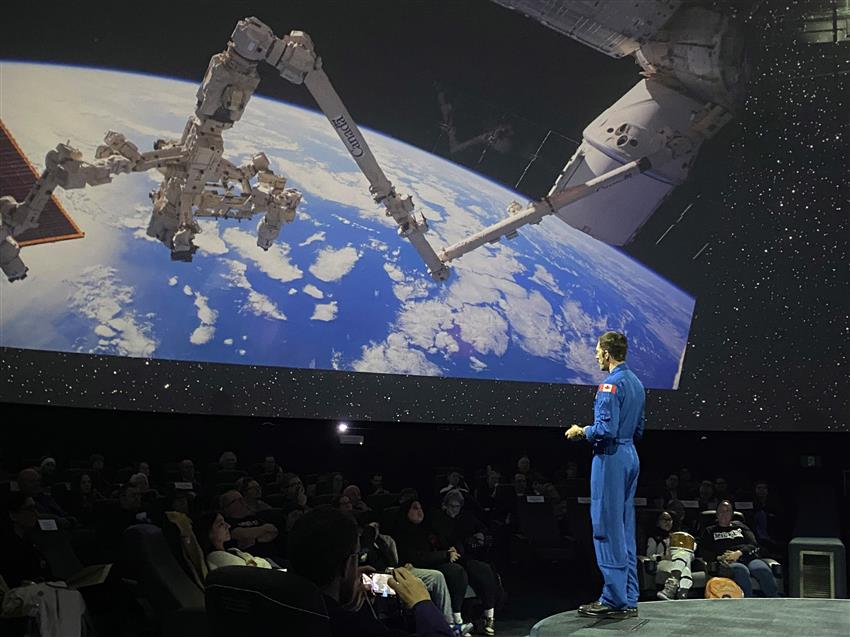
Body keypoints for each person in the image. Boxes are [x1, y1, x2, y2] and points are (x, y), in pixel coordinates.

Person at [565, 331, 644, 619]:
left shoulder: (610, 386)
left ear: (607, 354)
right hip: (630, 455)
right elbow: (638, 429)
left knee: (607, 527)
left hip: (610, 458)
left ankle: (613, 598)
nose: (596, 355)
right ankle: (629, 595)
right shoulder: (636, 384)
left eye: (598, 351)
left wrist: (581, 432)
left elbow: (605, 431)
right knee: (624, 528)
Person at [288, 507, 454, 637]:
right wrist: (422, 603)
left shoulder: (279, 612)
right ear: (346, 566)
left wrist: (348, 604)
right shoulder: (358, 630)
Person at [699, 501, 778, 598]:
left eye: (727, 511)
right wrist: (718, 557)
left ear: (732, 514)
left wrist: (739, 553)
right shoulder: (710, 531)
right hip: (727, 562)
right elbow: (703, 550)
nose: (724, 514)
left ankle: (774, 599)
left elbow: (753, 544)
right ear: (717, 514)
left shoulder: (740, 527)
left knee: (761, 568)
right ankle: (747, 601)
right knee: (741, 569)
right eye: (721, 511)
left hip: (748, 558)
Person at [195, 510, 275, 571]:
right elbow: (251, 573)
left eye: (225, 522)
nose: (228, 526)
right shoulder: (216, 557)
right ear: (208, 533)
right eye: (221, 524)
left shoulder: (231, 550)